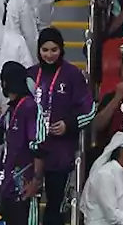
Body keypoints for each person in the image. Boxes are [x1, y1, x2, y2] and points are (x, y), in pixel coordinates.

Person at [28, 28, 94, 225]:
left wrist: (69, 125)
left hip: (60, 153)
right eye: (45, 50)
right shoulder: (30, 75)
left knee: (55, 205)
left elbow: (89, 111)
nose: (49, 55)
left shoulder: (72, 75)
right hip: (31, 153)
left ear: (62, 49)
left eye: (54, 50)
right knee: (29, 201)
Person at [0, 61, 45, 225]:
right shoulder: (11, 109)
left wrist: (36, 181)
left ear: (5, 82)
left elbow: (38, 146)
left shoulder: (30, 107)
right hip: (8, 187)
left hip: (25, 186)